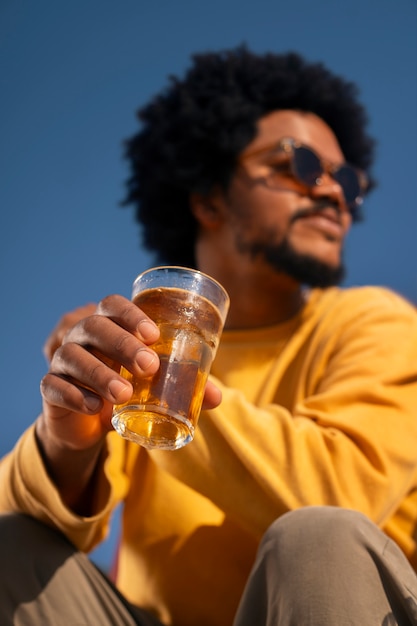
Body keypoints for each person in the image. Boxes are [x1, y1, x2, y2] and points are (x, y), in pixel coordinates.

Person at [1, 45, 417, 626]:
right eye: (298, 166)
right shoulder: (139, 344)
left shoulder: (374, 321)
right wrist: (67, 446)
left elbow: (342, 491)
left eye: (347, 180)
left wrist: (173, 387)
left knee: (318, 537)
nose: (332, 193)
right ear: (208, 198)